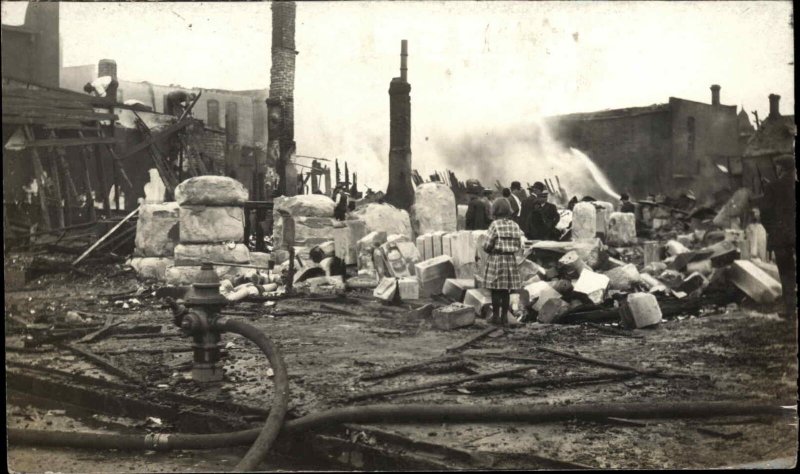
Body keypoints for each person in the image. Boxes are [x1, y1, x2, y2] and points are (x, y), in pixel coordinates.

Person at [758, 156, 796, 319]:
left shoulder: (773, 186)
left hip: (782, 235)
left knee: (787, 272)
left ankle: (790, 309)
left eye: (778, 166)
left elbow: (765, 213)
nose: (776, 169)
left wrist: (772, 230)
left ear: (781, 168)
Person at [482, 198, 524, 327]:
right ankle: (505, 316)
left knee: (495, 290)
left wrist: (490, 250)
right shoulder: (515, 225)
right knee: (506, 290)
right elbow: (518, 244)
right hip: (510, 259)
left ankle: (495, 316)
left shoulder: (494, 225)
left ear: (495, 210)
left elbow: (487, 245)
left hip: (497, 259)